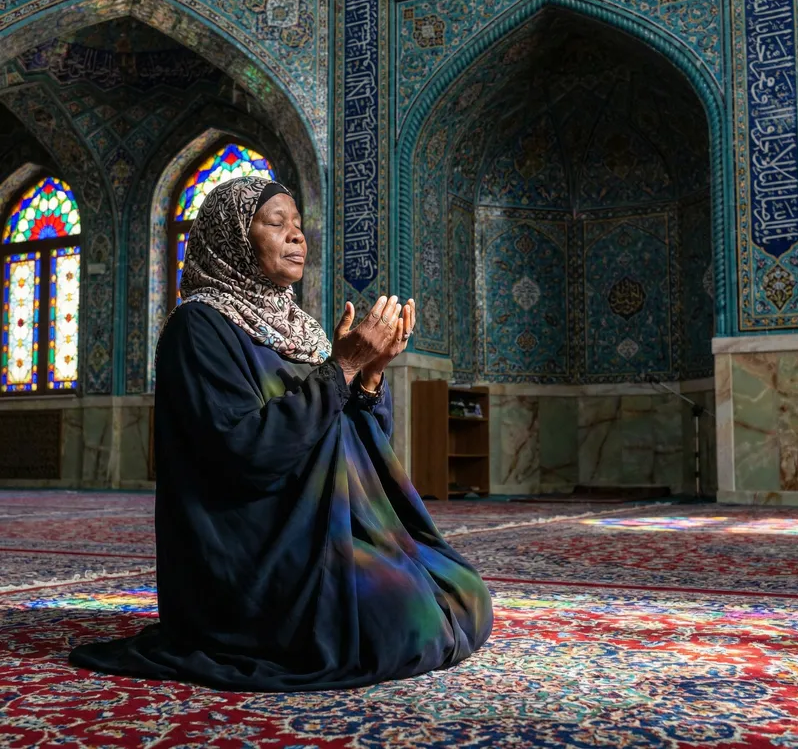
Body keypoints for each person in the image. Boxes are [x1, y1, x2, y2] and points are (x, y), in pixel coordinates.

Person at [69, 177, 493, 691]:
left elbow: (359, 446)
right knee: (402, 624)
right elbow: (246, 453)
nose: (296, 237)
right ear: (231, 238)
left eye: (298, 226)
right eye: (276, 224)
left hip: (327, 524)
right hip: (254, 553)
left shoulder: (304, 330)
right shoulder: (199, 328)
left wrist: (370, 375)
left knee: (464, 595)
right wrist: (341, 368)